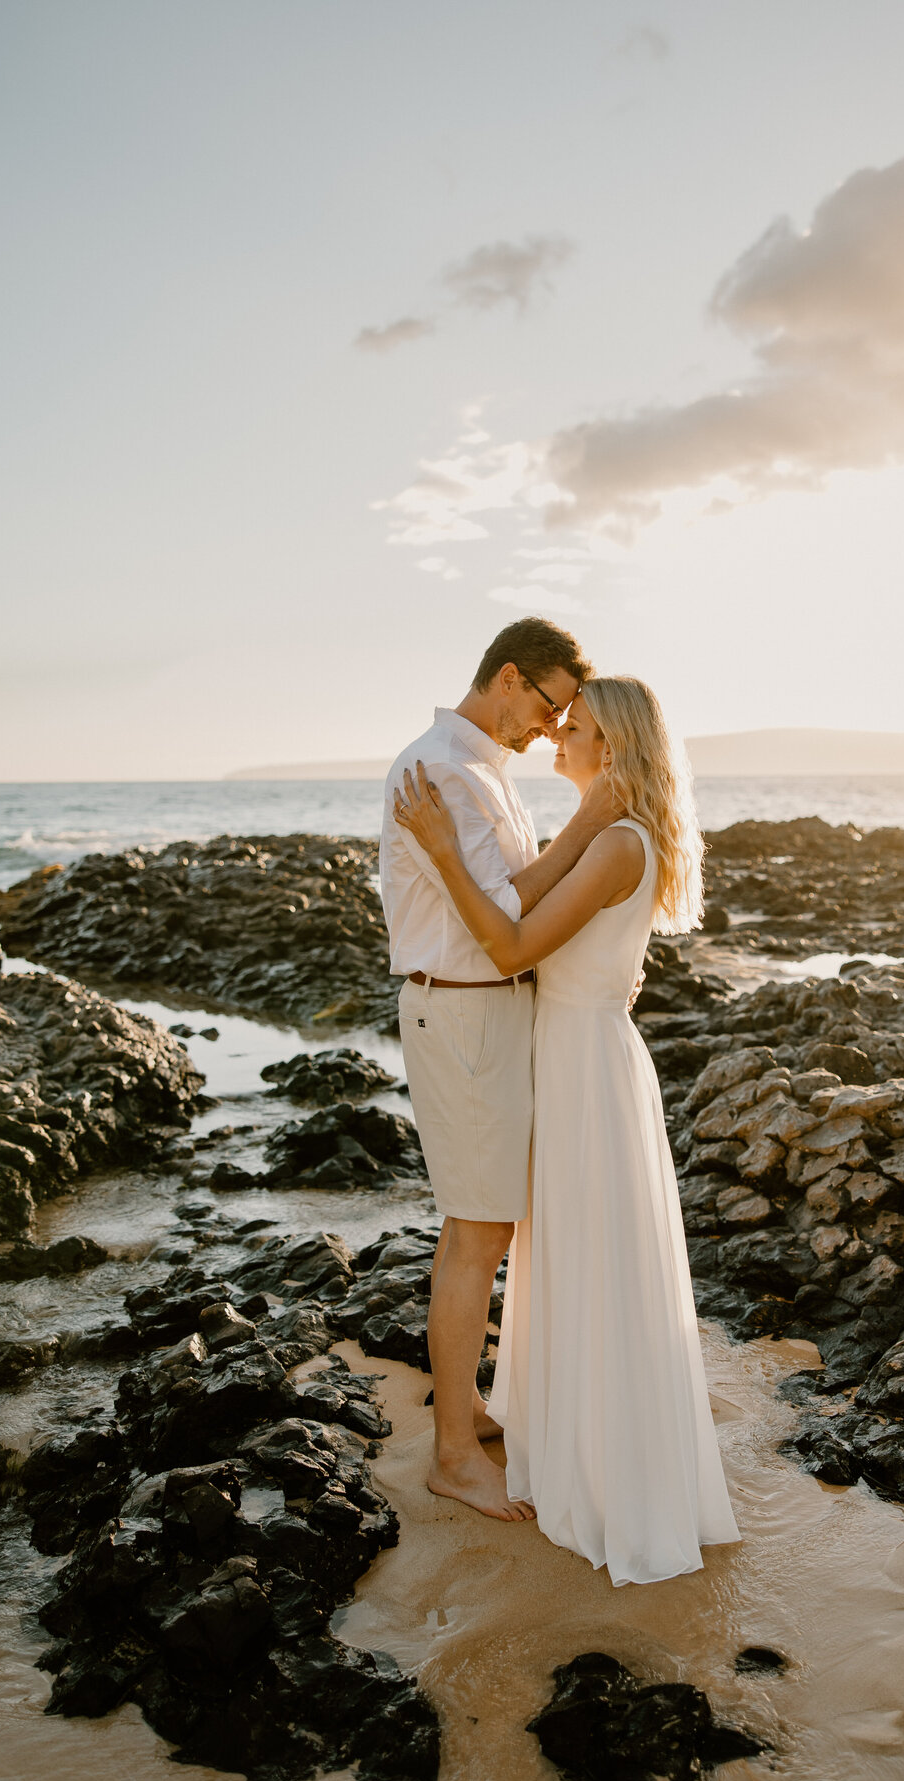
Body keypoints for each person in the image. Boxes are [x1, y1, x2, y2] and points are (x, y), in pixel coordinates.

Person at [394, 676, 739, 1584]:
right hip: (577, 1056)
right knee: (578, 1254)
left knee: (591, 1256)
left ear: (613, 750)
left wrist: (441, 853)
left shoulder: (619, 847)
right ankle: (561, 1419)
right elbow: (540, 912)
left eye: (574, 729)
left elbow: (509, 949)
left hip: (586, 1068)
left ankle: (602, 1459)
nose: (556, 739)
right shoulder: (613, 838)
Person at [380, 619, 623, 1524]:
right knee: (475, 1235)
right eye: (552, 707)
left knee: (491, 1228)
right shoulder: (444, 768)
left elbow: (520, 893)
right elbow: (507, 906)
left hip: (491, 1011)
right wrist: (592, 822)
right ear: (511, 678)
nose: (553, 729)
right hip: (466, 1007)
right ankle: (451, 1456)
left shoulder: (482, 769)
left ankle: (467, 1410)